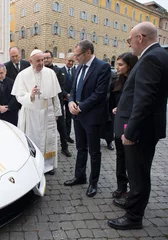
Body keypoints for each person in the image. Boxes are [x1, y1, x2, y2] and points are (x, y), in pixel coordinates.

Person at [108, 22, 168, 230]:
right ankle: (133, 203)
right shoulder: (160, 55)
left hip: (140, 131)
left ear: (140, 38)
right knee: (139, 173)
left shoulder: (151, 58)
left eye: (129, 40)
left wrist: (130, 132)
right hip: (147, 128)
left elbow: (144, 100)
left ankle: (134, 217)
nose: (130, 44)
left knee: (138, 174)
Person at [64, 40, 111, 198]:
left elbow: (99, 94)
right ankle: (80, 176)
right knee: (80, 148)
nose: (75, 58)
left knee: (94, 151)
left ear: (88, 52)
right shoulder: (78, 67)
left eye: (78, 55)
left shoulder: (102, 67)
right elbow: (73, 88)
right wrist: (71, 102)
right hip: (77, 116)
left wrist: (81, 107)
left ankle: (93, 182)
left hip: (92, 117)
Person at [11, 49, 61, 174]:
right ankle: (33, 164)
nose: (41, 63)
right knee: (33, 139)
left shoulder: (50, 73)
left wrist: (57, 112)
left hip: (47, 112)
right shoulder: (23, 75)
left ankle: (48, 166)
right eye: (38, 60)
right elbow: (19, 96)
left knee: (48, 139)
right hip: (31, 113)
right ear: (31, 61)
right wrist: (30, 95)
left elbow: (55, 96)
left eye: (42, 60)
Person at [108, 52, 138, 199]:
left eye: (121, 64)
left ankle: (134, 190)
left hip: (132, 125)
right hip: (119, 125)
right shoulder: (116, 82)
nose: (117, 67)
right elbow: (112, 102)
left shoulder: (138, 82)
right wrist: (115, 108)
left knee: (131, 158)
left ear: (129, 66)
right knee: (120, 156)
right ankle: (121, 186)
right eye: (117, 64)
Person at [44, 50, 72, 159]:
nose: (46, 60)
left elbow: (61, 87)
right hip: (45, 105)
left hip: (57, 103)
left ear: (52, 58)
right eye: (44, 58)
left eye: (48, 57)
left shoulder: (58, 71)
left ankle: (64, 147)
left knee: (61, 127)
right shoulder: (41, 71)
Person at [100, 57, 117, 151]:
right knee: (99, 124)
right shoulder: (99, 74)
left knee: (109, 125)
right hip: (100, 103)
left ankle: (109, 141)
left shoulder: (114, 75)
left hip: (110, 103)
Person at [60, 53, 76, 144]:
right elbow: (59, 85)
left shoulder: (75, 71)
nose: (70, 62)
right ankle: (63, 136)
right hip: (62, 98)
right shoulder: (60, 70)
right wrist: (66, 94)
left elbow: (75, 85)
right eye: (69, 60)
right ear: (65, 60)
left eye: (72, 61)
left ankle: (68, 135)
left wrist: (71, 96)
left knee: (69, 119)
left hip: (71, 99)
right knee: (62, 118)